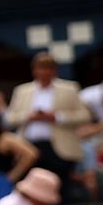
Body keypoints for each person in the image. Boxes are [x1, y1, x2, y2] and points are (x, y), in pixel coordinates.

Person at [7, 51, 90, 186]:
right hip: (30, 148)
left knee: (62, 187)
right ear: (34, 70)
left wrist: (57, 117)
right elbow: (9, 118)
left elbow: (85, 115)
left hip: (60, 149)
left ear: (55, 71)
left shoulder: (69, 88)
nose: (44, 72)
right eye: (41, 68)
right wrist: (28, 116)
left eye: (48, 68)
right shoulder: (22, 91)